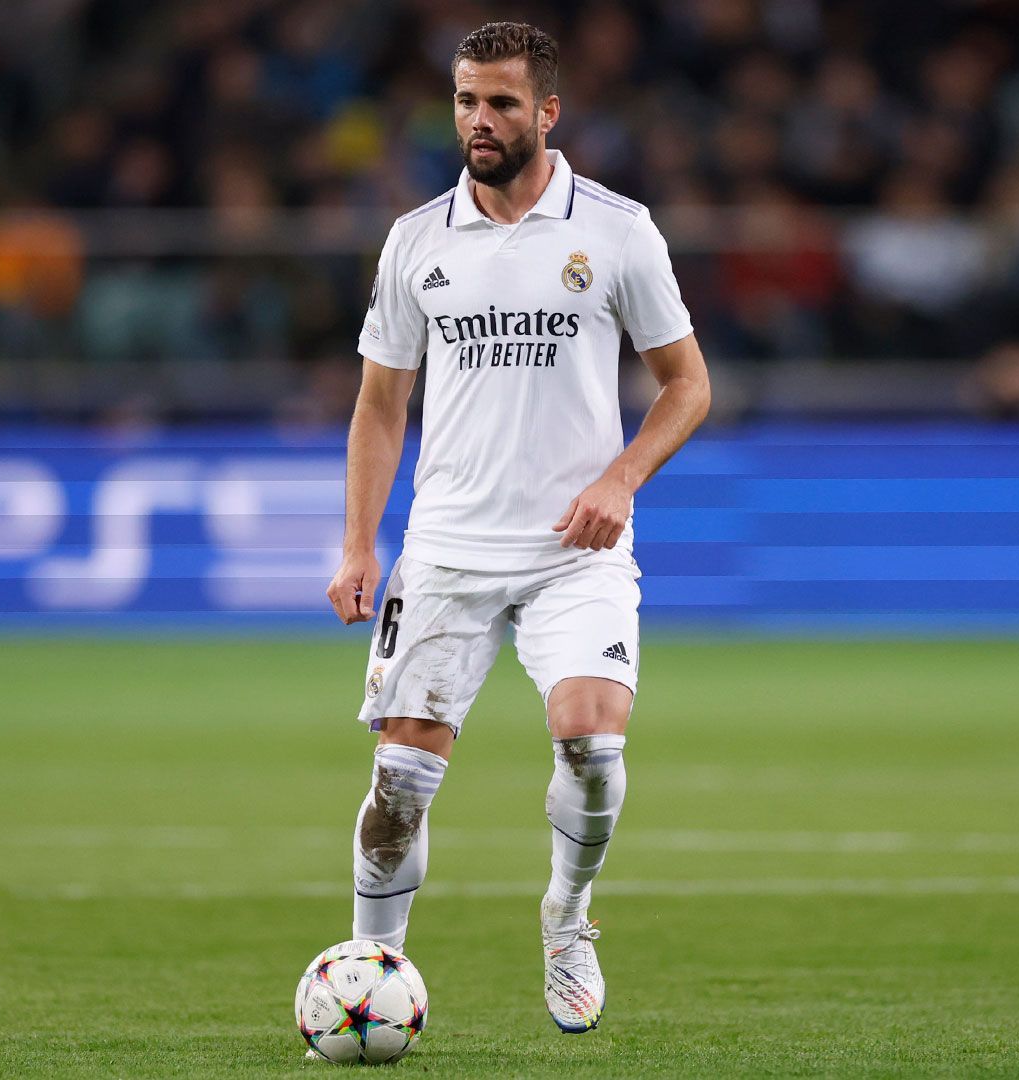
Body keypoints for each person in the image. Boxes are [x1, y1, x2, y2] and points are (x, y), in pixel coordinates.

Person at [324, 21, 711, 1036]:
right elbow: (378, 406)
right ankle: (375, 966)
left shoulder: (619, 230)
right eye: (464, 100)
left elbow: (686, 386)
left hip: (573, 552)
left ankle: (568, 916)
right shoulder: (418, 239)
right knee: (398, 785)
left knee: (592, 741)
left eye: (500, 102)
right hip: (448, 550)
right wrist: (361, 544)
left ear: (547, 111)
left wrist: (623, 478)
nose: (478, 120)